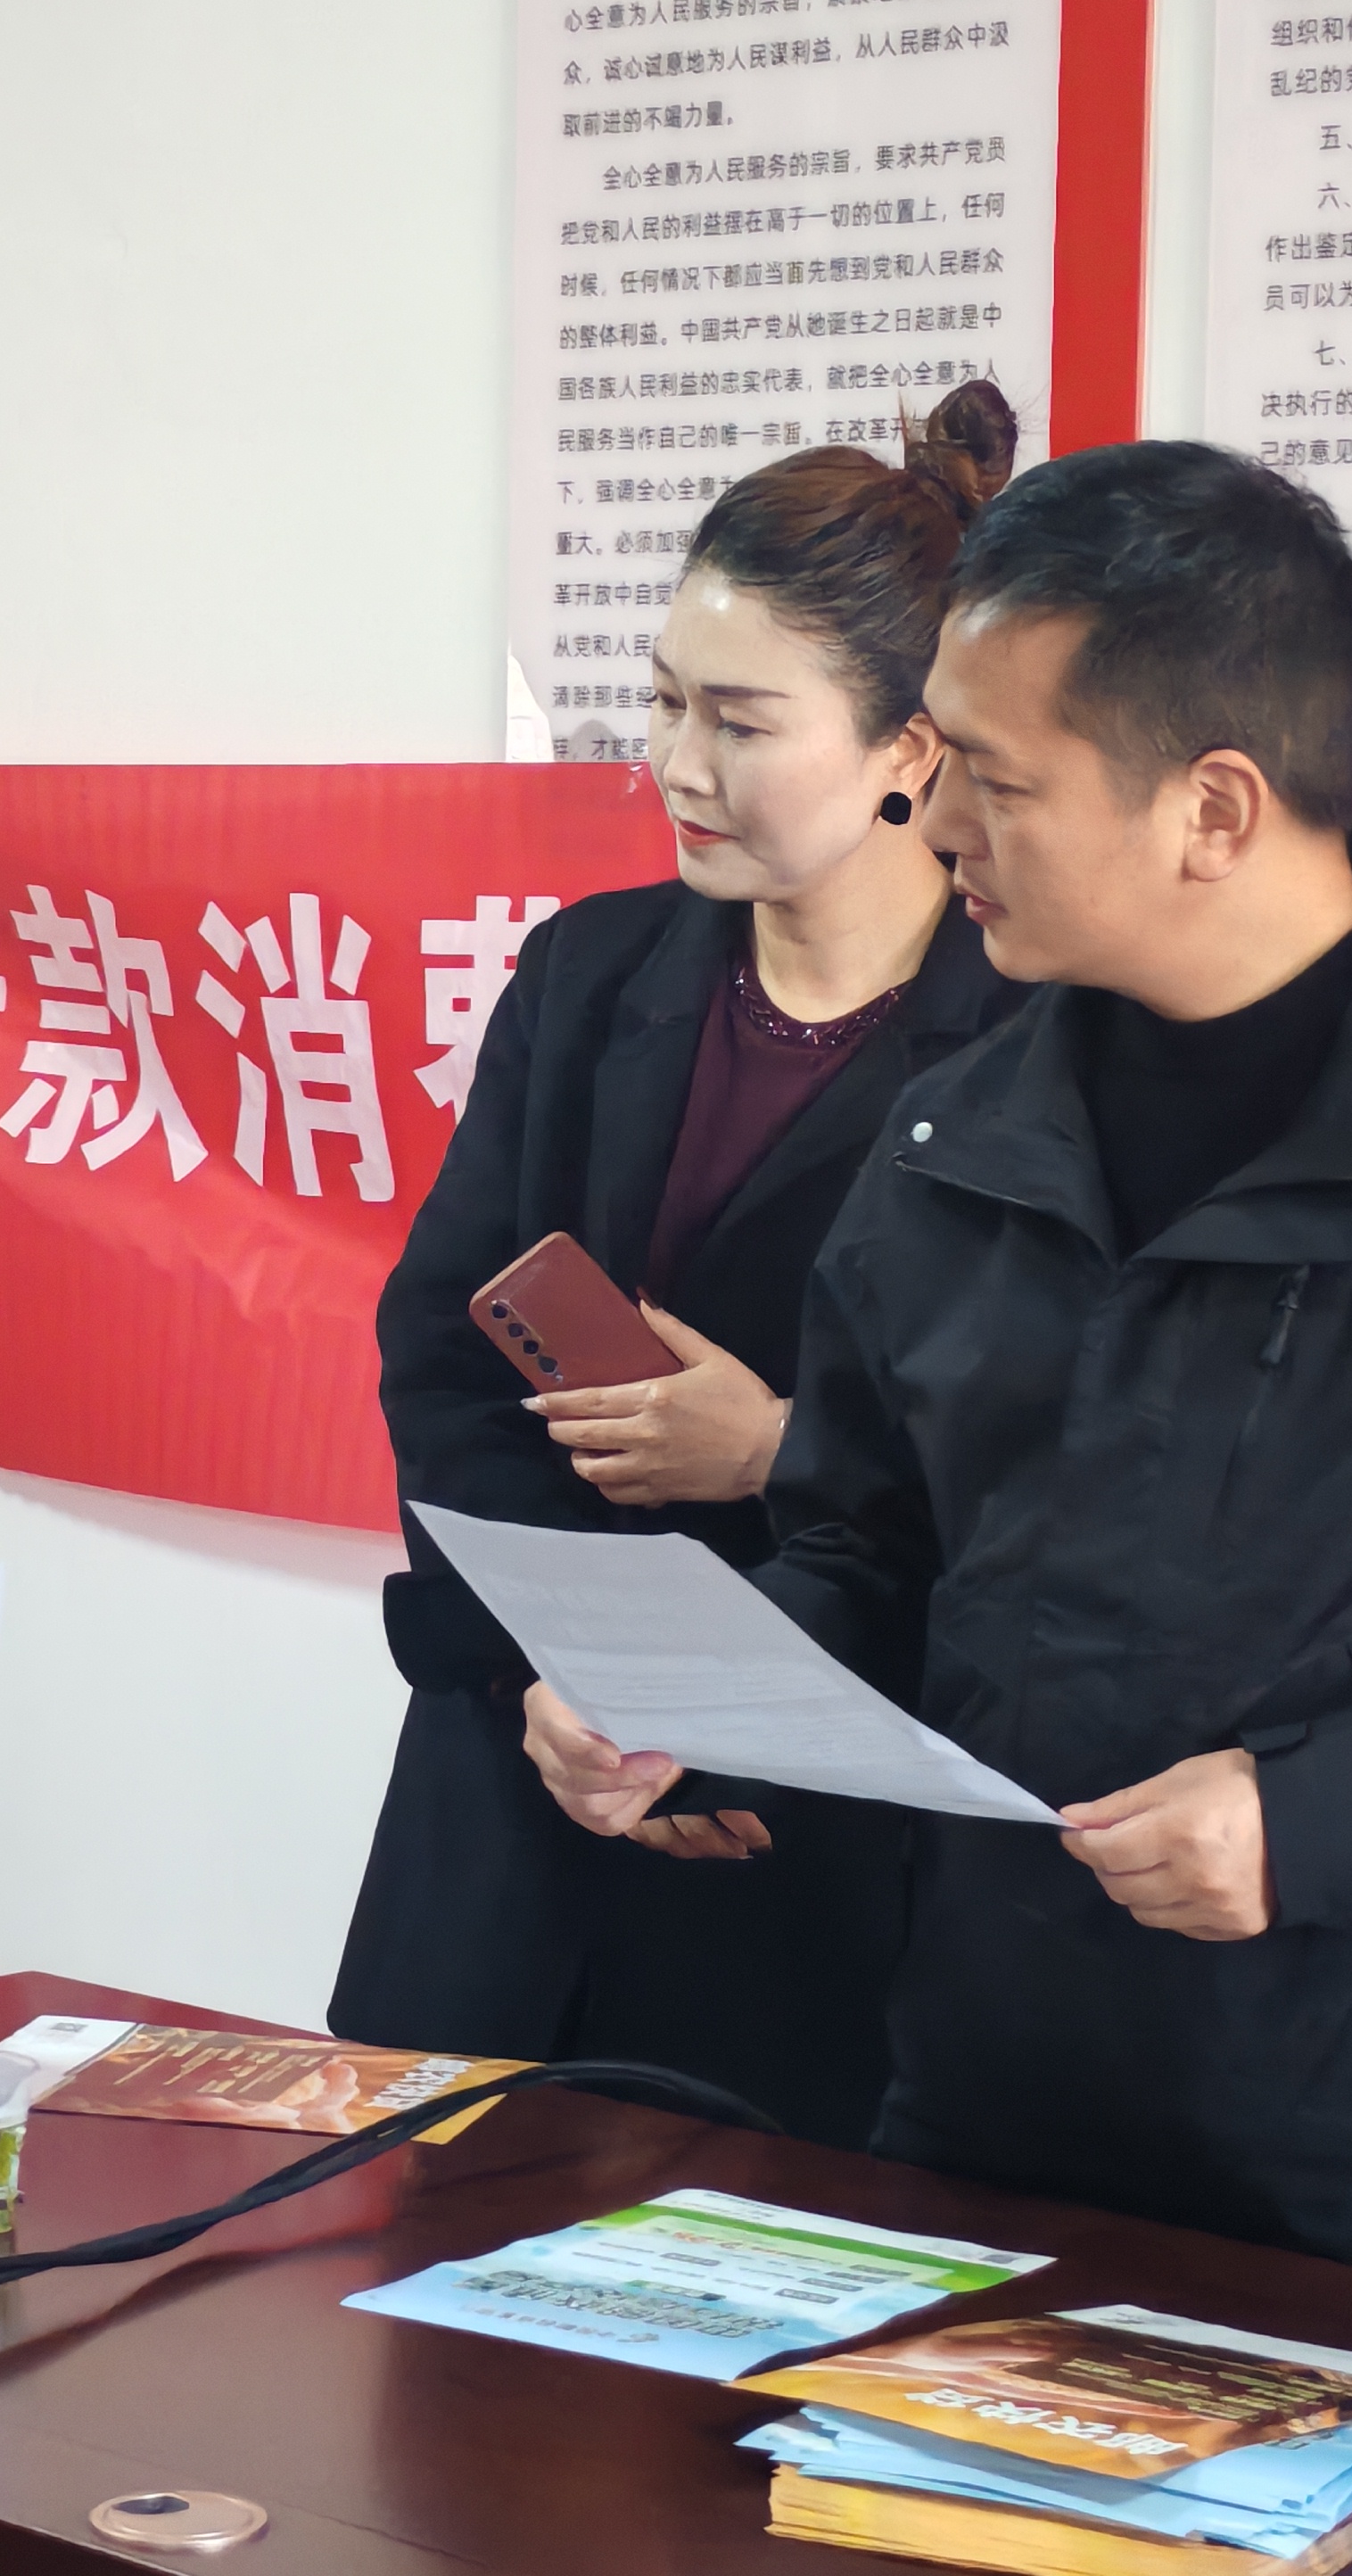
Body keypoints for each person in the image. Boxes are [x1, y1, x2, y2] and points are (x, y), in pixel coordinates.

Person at [522, 442, 1352, 2326]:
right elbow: (873, 1556)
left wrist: (1315, 1823)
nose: (933, 820)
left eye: (994, 780)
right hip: (997, 2119)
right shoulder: (956, 1132)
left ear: (1212, 808)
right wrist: (692, 1703)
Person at [327, 385, 1029, 2143]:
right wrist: (552, 1685)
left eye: (738, 720)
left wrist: (782, 1449)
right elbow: (445, 1357)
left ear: (910, 751)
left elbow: (1055, 1466)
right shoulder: (592, 974)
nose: (677, 763)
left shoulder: (1033, 1052)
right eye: (660, 701)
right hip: (513, 1827)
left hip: (814, 1862)